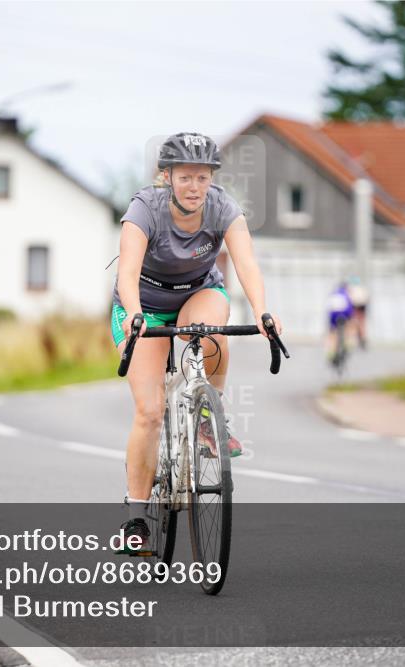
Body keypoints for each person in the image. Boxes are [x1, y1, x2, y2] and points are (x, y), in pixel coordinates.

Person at [112, 132, 282, 550]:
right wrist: (133, 314)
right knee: (150, 412)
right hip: (145, 305)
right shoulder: (144, 208)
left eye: (202, 177)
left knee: (211, 333)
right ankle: (137, 518)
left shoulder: (223, 208)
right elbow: (127, 273)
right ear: (166, 176)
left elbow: (246, 263)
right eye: (185, 177)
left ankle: (210, 413)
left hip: (197, 293)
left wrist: (262, 311)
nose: (194, 187)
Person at [326, 280, 354, 368]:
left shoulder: (333, 294)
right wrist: (350, 318)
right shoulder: (346, 294)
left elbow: (328, 308)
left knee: (332, 334)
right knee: (348, 328)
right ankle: (347, 346)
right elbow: (350, 308)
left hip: (333, 315)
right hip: (344, 314)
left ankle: (331, 354)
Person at [347, 276, 370, 350]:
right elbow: (367, 299)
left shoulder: (351, 289)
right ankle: (363, 338)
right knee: (361, 323)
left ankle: (354, 339)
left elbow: (349, 299)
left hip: (355, 305)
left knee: (354, 323)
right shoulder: (362, 288)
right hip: (362, 306)